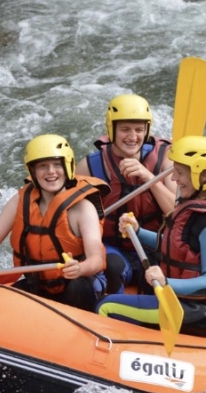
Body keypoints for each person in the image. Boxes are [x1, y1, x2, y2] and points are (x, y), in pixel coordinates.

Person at [96, 136, 206, 337]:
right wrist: (137, 232)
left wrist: (167, 283)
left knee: (106, 307)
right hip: (189, 304)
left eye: (180, 173)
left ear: (203, 175)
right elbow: (176, 248)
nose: (174, 179)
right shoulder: (197, 207)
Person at [0, 134, 110, 312]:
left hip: (81, 282)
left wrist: (80, 268)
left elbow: (96, 258)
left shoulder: (82, 208)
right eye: (42, 166)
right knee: (6, 304)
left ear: (68, 165)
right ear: (32, 171)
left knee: (76, 288)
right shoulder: (20, 201)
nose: (51, 171)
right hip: (39, 284)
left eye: (57, 164)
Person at [76, 94, 176, 294]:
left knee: (159, 276)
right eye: (125, 129)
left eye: (139, 130)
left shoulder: (165, 160)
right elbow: (74, 221)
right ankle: (110, 314)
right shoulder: (89, 167)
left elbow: (177, 213)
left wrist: (149, 178)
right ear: (111, 129)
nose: (132, 137)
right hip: (115, 248)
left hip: (155, 247)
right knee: (113, 267)